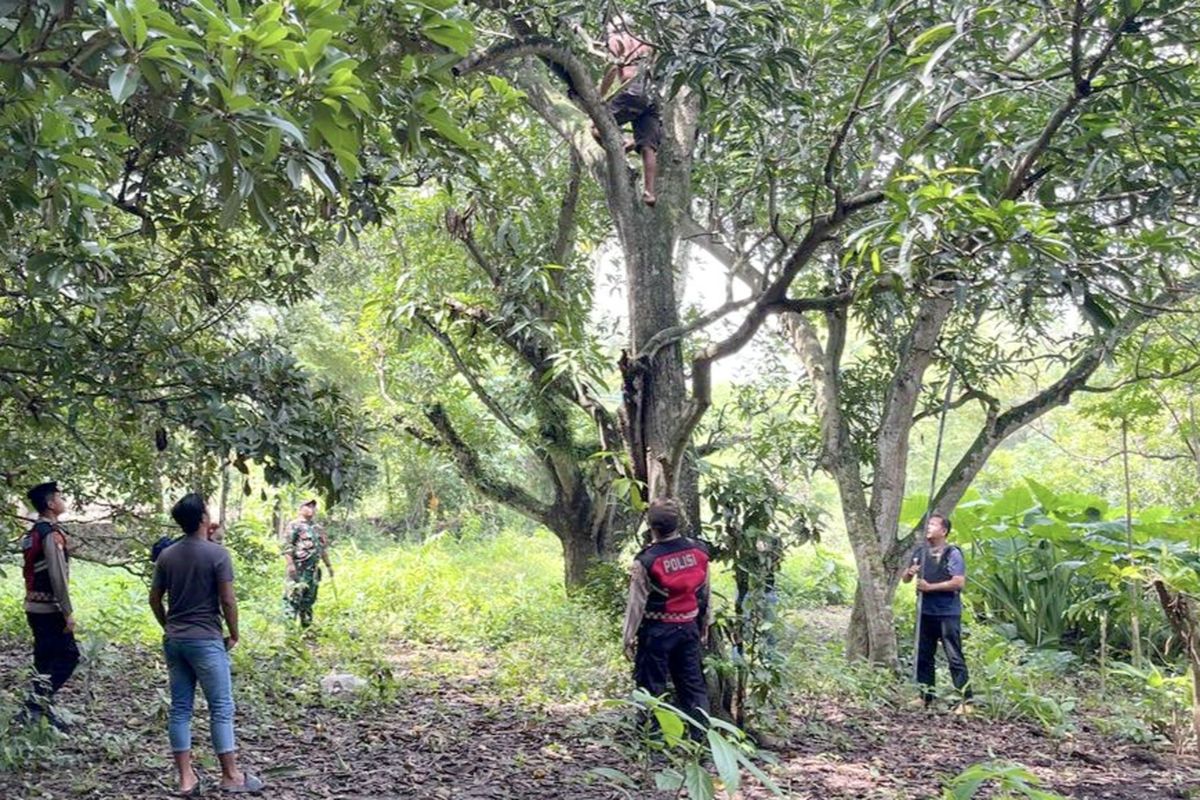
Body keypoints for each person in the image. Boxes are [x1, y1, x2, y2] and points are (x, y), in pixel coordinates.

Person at [149, 493, 264, 795]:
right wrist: (234, 633)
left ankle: (186, 779)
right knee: (221, 707)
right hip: (206, 639)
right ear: (202, 518)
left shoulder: (167, 555)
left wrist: (169, 625)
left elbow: (154, 599)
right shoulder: (218, 554)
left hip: (175, 640)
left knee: (181, 709)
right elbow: (227, 599)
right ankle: (231, 775)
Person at [622, 497, 711, 735]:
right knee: (693, 686)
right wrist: (704, 627)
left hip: (657, 631)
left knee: (651, 686)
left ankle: (654, 740)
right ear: (678, 523)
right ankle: (701, 740)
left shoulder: (646, 560)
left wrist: (628, 637)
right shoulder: (699, 552)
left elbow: (636, 604)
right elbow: (705, 594)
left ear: (651, 526)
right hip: (689, 626)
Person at [20, 481, 79, 730]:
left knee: (44, 660)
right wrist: (68, 611)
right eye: (59, 497)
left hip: (33, 606)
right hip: (49, 609)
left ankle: (40, 712)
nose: (63, 500)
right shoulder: (50, 534)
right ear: (50, 504)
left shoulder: (33, 532)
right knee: (69, 656)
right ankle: (35, 706)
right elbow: (58, 576)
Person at [903, 512, 973, 711]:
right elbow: (905, 579)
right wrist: (909, 573)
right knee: (924, 655)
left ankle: (966, 700)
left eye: (933, 525)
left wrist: (930, 588)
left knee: (954, 656)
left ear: (944, 531)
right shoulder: (920, 551)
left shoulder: (952, 553)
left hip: (947, 612)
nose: (928, 527)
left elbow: (958, 582)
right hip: (925, 612)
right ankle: (925, 696)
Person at [594, 14, 661, 206]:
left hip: (634, 93)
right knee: (648, 146)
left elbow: (613, 69)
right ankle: (649, 192)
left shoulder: (617, 39)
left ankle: (623, 143)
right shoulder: (644, 43)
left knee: (595, 127)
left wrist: (598, 96)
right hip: (653, 97)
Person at [283, 499, 333, 628]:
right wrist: (290, 565)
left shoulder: (317, 528)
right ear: (300, 509)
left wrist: (329, 566)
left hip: (313, 570)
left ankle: (306, 629)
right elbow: (287, 547)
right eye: (308, 506)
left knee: (309, 599)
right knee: (293, 598)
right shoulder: (294, 525)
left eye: (313, 506)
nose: (311, 509)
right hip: (299, 568)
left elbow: (322, 549)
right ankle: (290, 632)